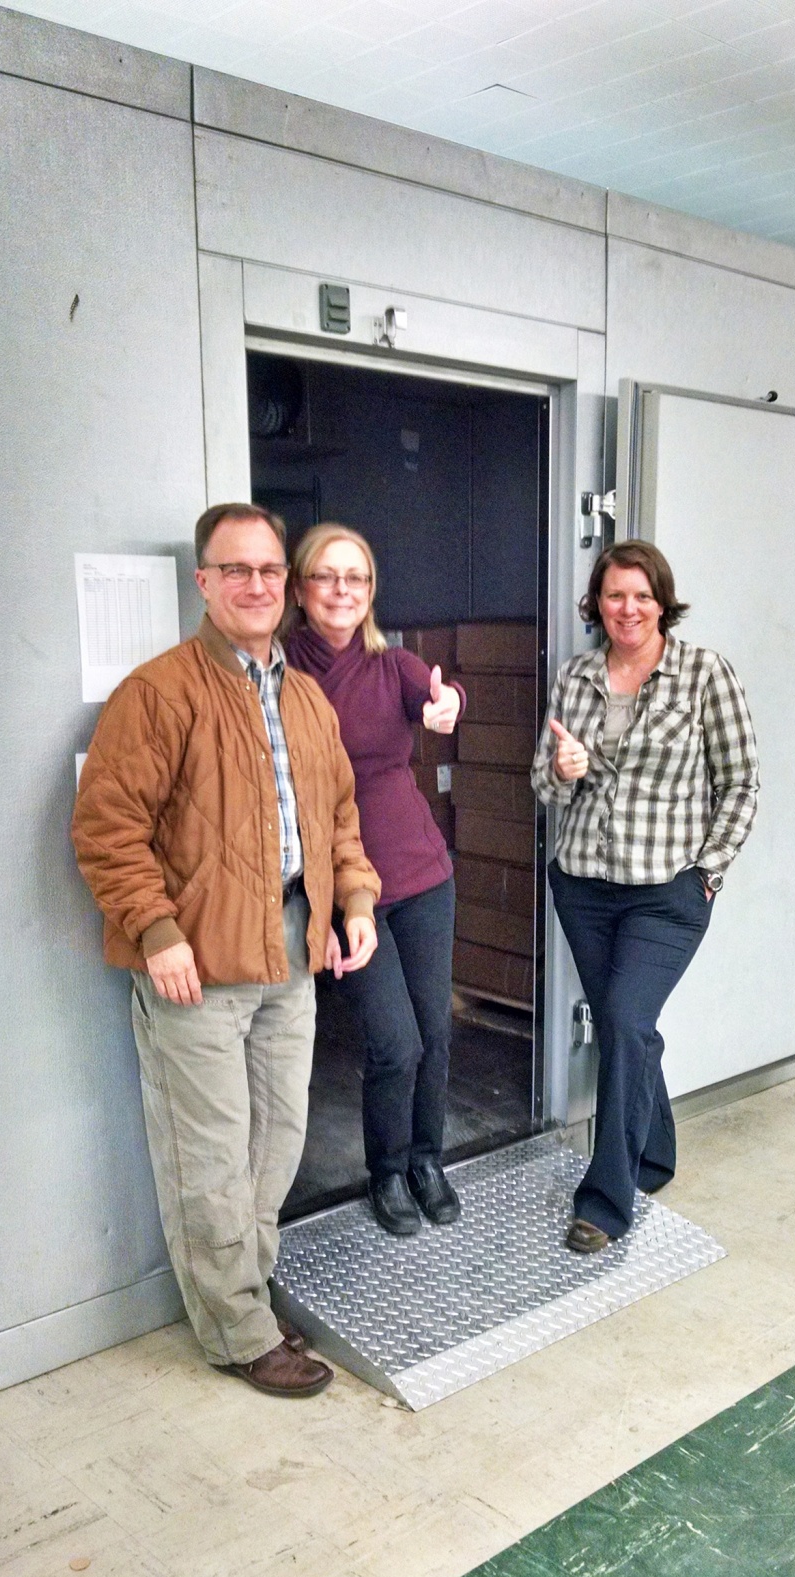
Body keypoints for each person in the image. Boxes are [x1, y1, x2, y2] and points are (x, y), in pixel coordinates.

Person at [72, 503, 380, 1396]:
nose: (256, 585)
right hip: (196, 962)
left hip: (292, 947)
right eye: (235, 569)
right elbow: (107, 827)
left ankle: (246, 1290)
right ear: (204, 581)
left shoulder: (306, 698)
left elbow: (339, 818)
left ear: (287, 584)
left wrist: (354, 901)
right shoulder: (159, 692)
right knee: (207, 1154)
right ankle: (237, 1330)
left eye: (269, 570)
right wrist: (156, 931)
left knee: (275, 1142)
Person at [532, 539, 759, 1254]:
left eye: (641, 595)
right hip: (584, 884)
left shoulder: (703, 673)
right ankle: (654, 1155)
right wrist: (564, 770)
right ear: (597, 604)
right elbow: (542, 784)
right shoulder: (575, 677)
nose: (627, 608)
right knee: (623, 1025)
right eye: (613, 595)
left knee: (627, 1022)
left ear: (662, 602)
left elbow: (741, 782)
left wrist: (708, 873)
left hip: (665, 891)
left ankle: (606, 1201)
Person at [285, 522, 465, 1238]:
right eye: (326, 576)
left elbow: (440, 698)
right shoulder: (280, 670)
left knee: (434, 1032)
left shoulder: (395, 665)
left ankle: (427, 1160)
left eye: (355, 577)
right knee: (395, 1041)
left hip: (421, 872)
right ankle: (387, 1170)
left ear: (370, 591)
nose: (342, 590)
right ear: (301, 589)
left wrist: (448, 707)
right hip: (341, 884)